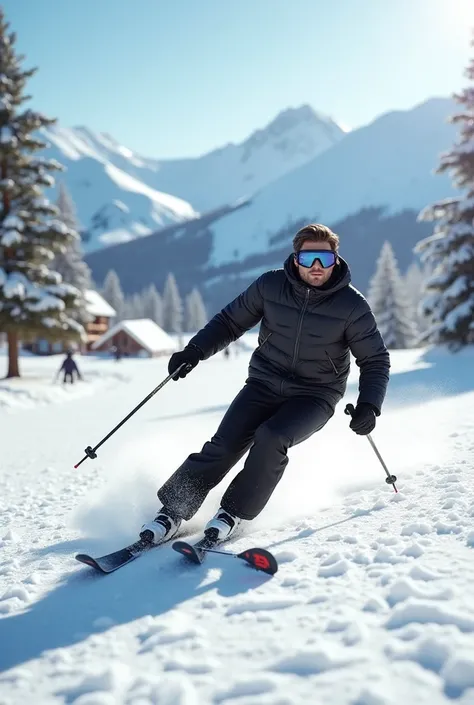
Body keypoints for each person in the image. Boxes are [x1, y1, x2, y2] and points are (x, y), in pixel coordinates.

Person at [140, 224, 390, 545]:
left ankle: (234, 513)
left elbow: (374, 360)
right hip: (264, 383)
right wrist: (195, 350)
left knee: (272, 437)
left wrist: (370, 404)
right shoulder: (270, 285)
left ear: (335, 260)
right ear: (296, 258)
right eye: (310, 257)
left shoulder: (352, 306)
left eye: (325, 259)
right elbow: (231, 321)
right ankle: (172, 510)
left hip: (315, 395)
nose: (317, 267)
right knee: (225, 444)